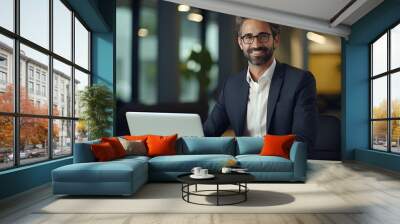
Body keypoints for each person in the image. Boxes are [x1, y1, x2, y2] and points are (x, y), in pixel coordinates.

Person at [203, 17, 318, 149]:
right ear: (240, 43)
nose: (256, 44)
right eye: (248, 37)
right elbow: (208, 133)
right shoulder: (232, 85)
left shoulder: (299, 81)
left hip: (281, 165)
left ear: (276, 40)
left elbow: (303, 140)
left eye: (263, 36)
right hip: (241, 166)